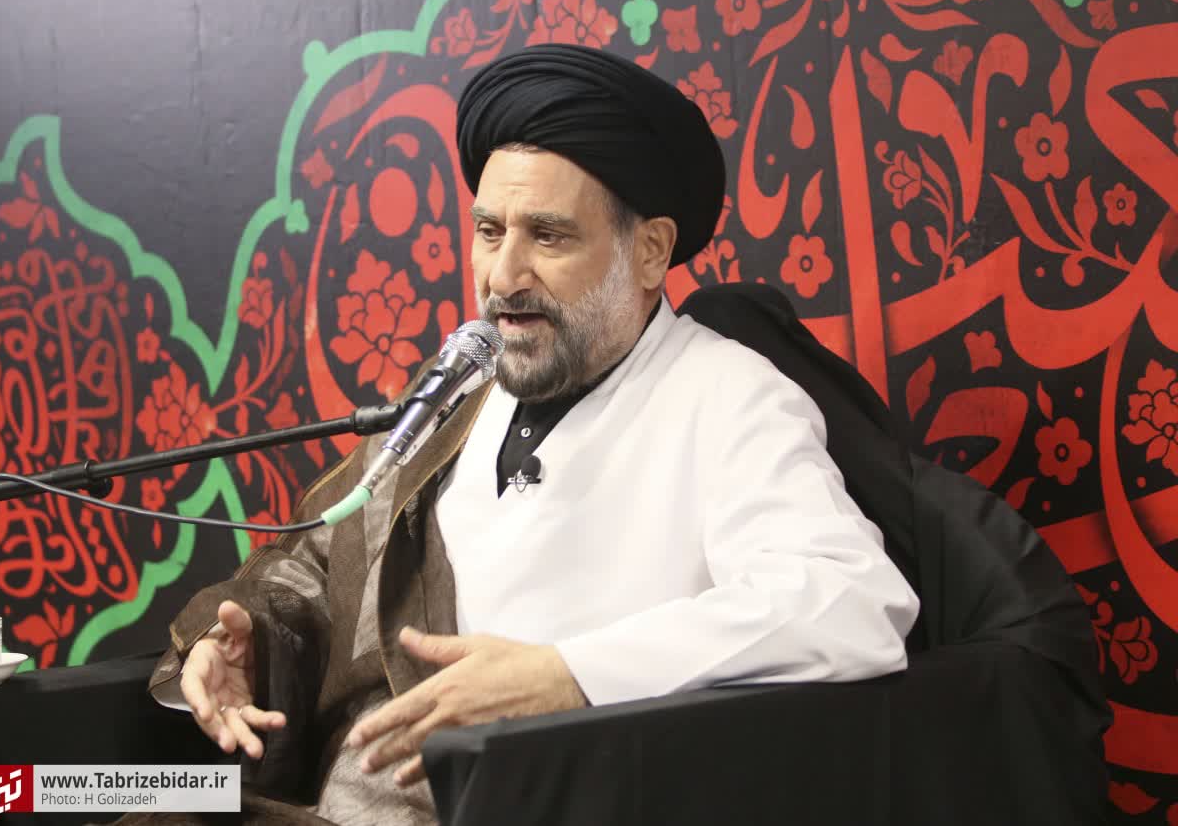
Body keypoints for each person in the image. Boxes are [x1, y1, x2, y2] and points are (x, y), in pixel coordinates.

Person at [125, 43, 919, 826]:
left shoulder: (728, 395)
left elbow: (852, 599)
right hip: (313, 796)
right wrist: (247, 643)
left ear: (650, 251)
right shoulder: (460, 393)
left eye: (548, 235)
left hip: (519, 800)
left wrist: (567, 674)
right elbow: (320, 561)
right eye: (489, 231)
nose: (503, 276)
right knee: (75, 791)